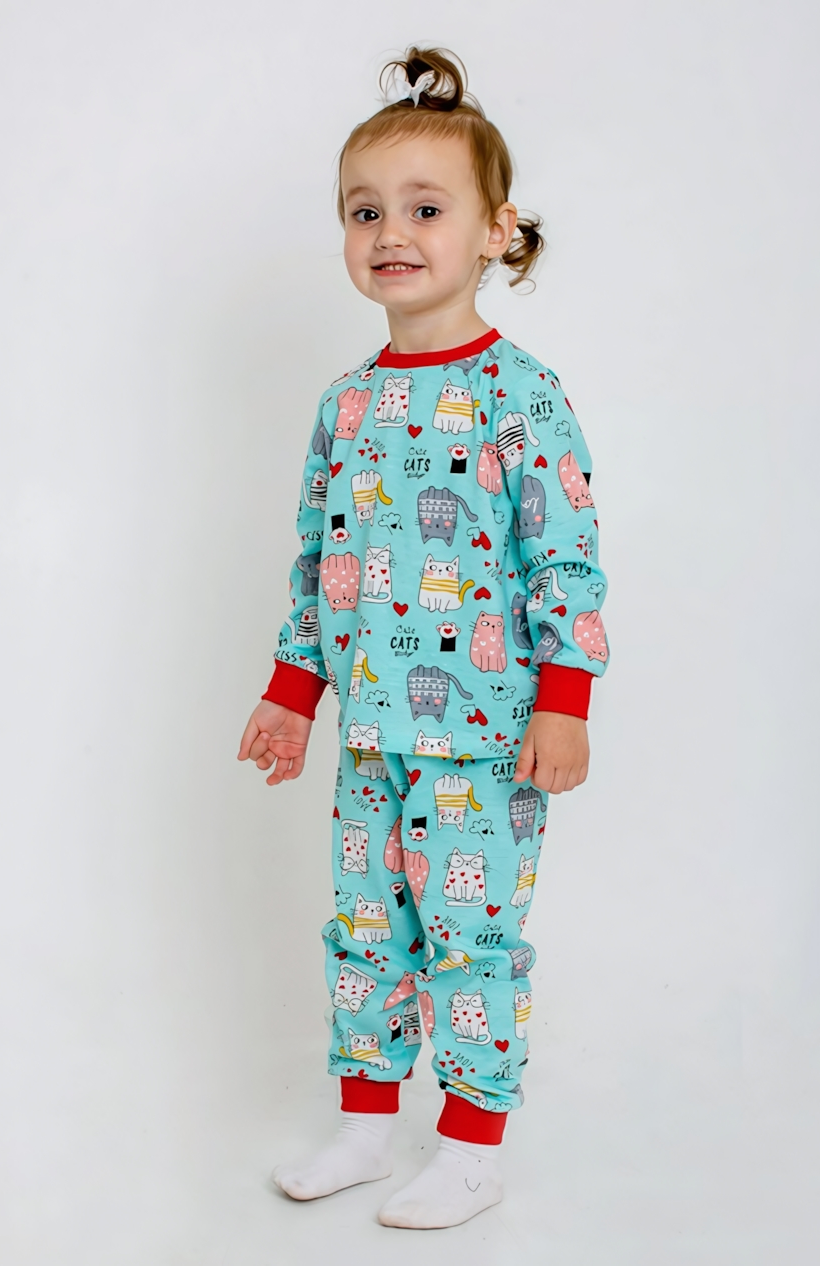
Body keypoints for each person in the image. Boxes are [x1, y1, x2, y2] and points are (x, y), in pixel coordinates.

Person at [237, 46, 610, 1229]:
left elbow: (564, 558)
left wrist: (564, 699)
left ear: (496, 231)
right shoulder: (344, 403)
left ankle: (470, 1146)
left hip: (484, 741)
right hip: (368, 733)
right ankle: (364, 1123)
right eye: (364, 212)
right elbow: (320, 559)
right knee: (362, 929)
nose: (389, 232)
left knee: (470, 938)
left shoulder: (521, 395)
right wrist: (291, 690)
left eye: (424, 208)